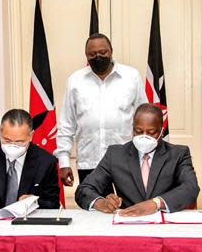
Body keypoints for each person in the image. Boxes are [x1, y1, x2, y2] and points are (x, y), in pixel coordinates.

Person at [54, 33, 147, 194]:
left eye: (103, 52)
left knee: (132, 210)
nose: (98, 56)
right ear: (86, 56)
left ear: (111, 51)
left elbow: (145, 118)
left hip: (127, 161)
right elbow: (66, 125)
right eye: (93, 54)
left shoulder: (131, 77)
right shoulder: (75, 81)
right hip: (90, 163)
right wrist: (64, 161)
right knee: (95, 212)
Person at [75, 103, 200, 216]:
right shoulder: (115, 154)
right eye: (138, 131)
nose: (144, 137)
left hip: (165, 224)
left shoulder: (178, 154)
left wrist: (156, 203)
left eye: (151, 132)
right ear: (133, 128)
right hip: (129, 222)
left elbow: (191, 188)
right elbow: (83, 189)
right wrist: (101, 203)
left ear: (161, 131)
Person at [0, 109, 60, 215]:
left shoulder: (46, 161)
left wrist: (34, 201)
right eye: (7, 140)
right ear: (1, 130)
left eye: (19, 142)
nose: (12, 146)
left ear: (31, 136)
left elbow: (53, 202)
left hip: (26, 221)